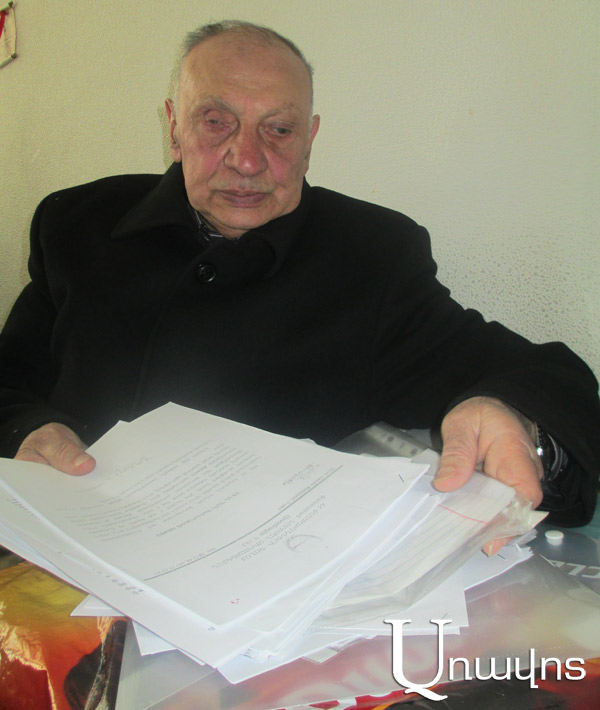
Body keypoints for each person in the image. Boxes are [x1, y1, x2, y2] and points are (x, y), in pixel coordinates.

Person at [1, 21, 598, 538]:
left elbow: (541, 377)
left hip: (250, 599)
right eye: (216, 121)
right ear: (174, 127)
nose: (246, 159)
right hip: (51, 558)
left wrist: (522, 428)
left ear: (309, 141)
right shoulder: (78, 223)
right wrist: (24, 429)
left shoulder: (373, 259)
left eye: (279, 130)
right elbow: (10, 376)